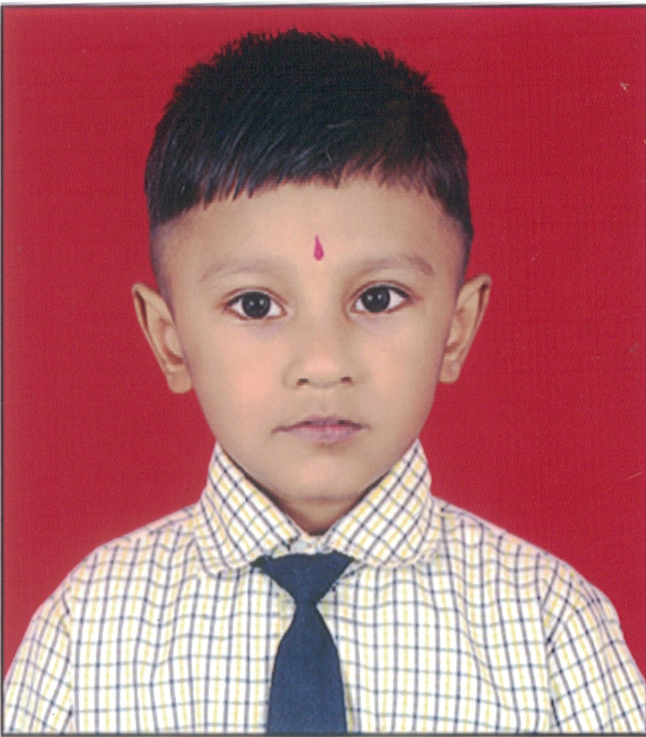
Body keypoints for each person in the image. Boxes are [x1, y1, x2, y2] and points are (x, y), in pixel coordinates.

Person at [4, 29, 644, 734]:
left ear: (456, 329)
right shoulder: (87, 629)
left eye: (377, 298)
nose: (322, 361)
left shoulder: (550, 625)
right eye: (256, 305)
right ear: (170, 339)